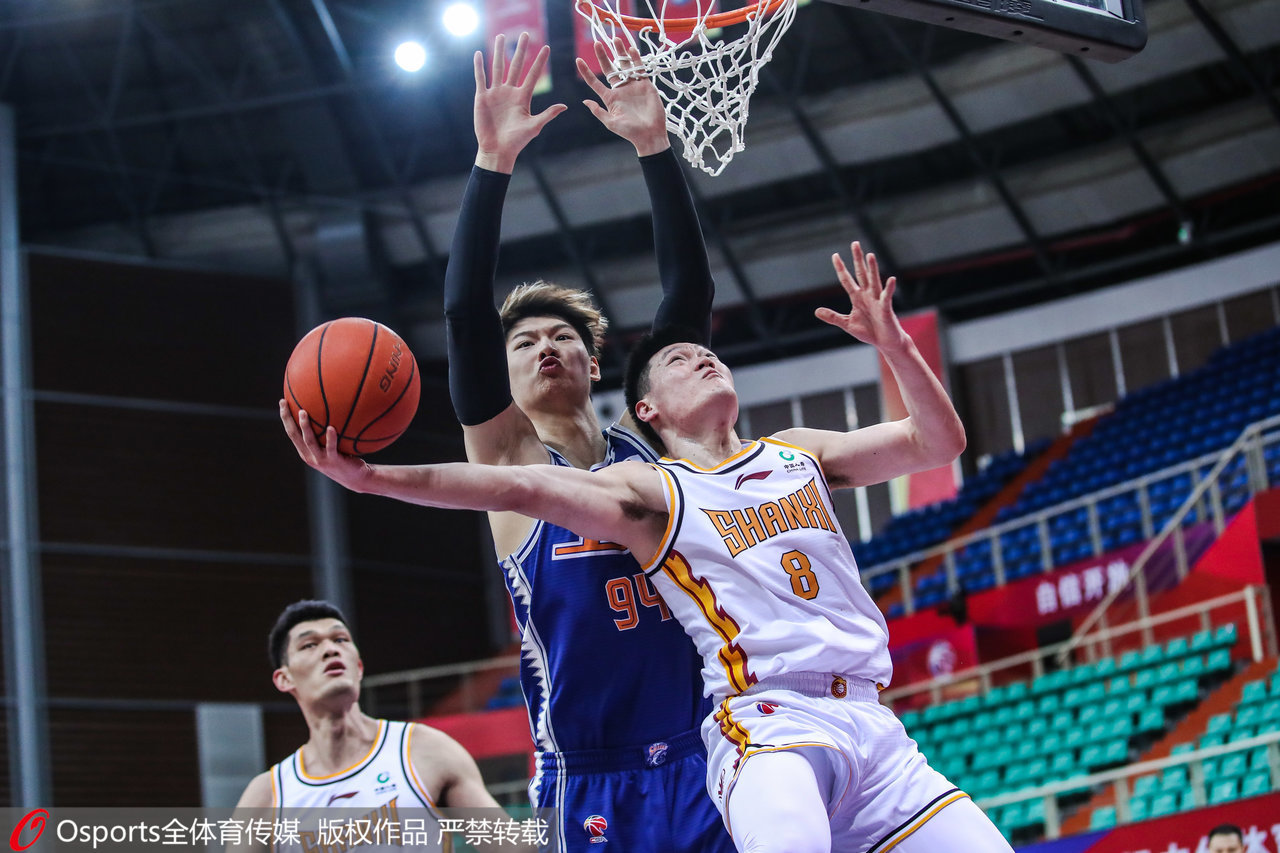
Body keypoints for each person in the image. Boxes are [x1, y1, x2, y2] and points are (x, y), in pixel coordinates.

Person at [280, 242, 1014, 852]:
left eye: (707, 352)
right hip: (739, 728)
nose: (701, 357)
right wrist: (371, 477)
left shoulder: (790, 451)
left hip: (862, 718)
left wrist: (895, 347)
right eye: (681, 360)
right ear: (648, 406)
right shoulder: (652, 490)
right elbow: (512, 488)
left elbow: (937, 442)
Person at [443, 31, 730, 853]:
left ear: (593, 360)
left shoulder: (649, 443)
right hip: (588, 776)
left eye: (561, 337)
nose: (545, 347)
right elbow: (466, 316)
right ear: (503, 374)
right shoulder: (508, 463)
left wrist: (654, 148)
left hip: (708, 746)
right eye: (525, 341)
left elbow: (688, 296)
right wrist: (491, 162)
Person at [232, 600, 505, 851]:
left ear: (358, 667)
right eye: (309, 645)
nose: (330, 649)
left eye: (340, 639)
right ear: (284, 679)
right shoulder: (267, 796)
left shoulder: (424, 750)